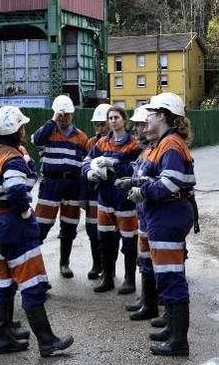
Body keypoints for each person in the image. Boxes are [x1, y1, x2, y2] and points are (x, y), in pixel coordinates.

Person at [0, 106, 74, 357]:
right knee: (31, 280)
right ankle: (46, 341)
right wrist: (25, 212)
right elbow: (16, 190)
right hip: (12, 223)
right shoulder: (13, 157)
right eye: (22, 127)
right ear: (18, 131)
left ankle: (3, 339)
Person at [126, 93, 195, 356]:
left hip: (168, 214)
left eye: (152, 114)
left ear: (164, 116)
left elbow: (170, 182)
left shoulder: (171, 146)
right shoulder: (165, 144)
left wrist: (143, 192)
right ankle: (173, 330)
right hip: (162, 214)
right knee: (166, 274)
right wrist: (136, 184)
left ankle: (179, 342)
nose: (147, 118)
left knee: (170, 277)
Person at [83, 106, 142, 294]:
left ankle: (129, 280)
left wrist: (114, 163)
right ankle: (107, 278)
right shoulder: (102, 143)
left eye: (116, 117)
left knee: (129, 242)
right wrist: (89, 172)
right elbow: (85, 161)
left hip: (125, 200)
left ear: (124, 120)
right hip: (105, 199)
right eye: (110, 118)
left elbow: (135, 170)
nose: (113, 121)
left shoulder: (134, 144)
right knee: (105, 241)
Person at [30, 95, 90, 278]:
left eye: (67, 115)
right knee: (41, 225)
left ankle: (64, 263)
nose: (64, 118)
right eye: (60, 115)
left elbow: (85, 162)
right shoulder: (48, 132)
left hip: (72, 184)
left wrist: (83, 194)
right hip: (51, 184)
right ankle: (32, 264)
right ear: (55, 114)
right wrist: (53, 120)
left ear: (73, 114)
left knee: (69, 225)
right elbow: (36, 140)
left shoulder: (81, 137)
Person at [121, 105, 160, 321]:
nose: (137, 129)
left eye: (141, 124)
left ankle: (153, 301)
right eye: (135, 125)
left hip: (155, 212)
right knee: (144, 257)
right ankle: (147, 299)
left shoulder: (158, 149)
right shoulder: (146, 150)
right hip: (144, 212)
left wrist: (140, 187)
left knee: (156, 259)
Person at [81, 103, 111, 280]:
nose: (100, 128)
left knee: (111, 234)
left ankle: (109, 269)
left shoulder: (118, 142)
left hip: (111, 194)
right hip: (93, 193)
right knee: (93, 231)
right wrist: (83, 198)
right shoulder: (92, 143)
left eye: (102, 124)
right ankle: (96, 264)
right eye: (97, 124)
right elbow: (83, 168)